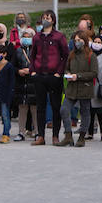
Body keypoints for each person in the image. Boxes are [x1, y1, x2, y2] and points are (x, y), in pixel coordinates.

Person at [30, 11, 72, 146]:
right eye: (44, 17)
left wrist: (59, 73)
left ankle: (55, 135)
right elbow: (32, 55)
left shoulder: (59, 37)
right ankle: (41, 136)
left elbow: (65, 55)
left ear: (53, 20)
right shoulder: (37, 37)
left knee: (55, 107)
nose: (45, 19)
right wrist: (33, 72)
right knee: (40, 107)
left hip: (54, 76)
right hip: (39, 75)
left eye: (48, 18)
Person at [62, 31, 97, 149]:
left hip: (85, 88)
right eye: (75, 40)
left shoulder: (91, 55)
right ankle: (68, 135)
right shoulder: (71, 54)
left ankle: (82, 137)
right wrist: (68, 74)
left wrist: (79, 76)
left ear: (85, 41)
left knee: (85, 112)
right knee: (64, 109)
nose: (77, 42)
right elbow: (66, 68)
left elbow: (93, 73)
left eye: (79, 40)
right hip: (72, 88)